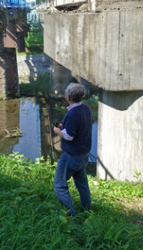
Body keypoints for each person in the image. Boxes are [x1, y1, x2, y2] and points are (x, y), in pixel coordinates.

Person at [52, 82, 92, 216]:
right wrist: (64, 125)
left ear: (68, 97)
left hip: (71, 155)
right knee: (82, 185)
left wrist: (57, 130)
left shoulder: (73, 113)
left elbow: (68, 136)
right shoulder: (85, 109)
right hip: (83, 155)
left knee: (59, 184)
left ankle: (71, 215)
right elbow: (78, 127)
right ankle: (87, 210)